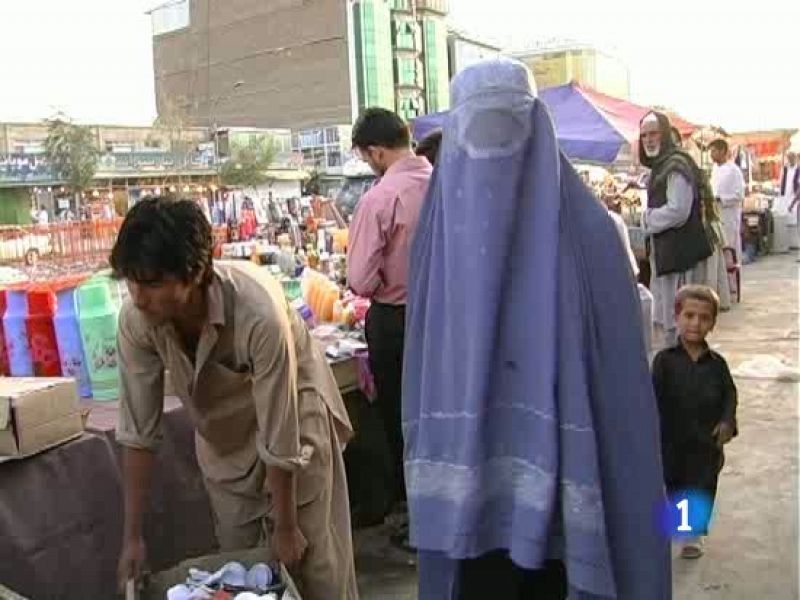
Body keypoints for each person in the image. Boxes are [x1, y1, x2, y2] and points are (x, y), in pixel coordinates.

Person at [404, 58, 670, 600]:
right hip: (465, 485)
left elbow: (620, 378)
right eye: (479, 132)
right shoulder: (437, 239)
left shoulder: (591, 235)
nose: (491, 151)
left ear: (536, 128)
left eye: (506, 130)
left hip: (562, 500)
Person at [112, 198, 358, 600]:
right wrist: (132, 537)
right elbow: (139, 431)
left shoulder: (258, 312)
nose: (139, 296)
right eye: (131, 281)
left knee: (313, 564)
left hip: (295, 420)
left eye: (153, 283)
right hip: (224, 439)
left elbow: (281, 430)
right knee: (243, 572)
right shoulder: (137, 320)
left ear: (193, 275)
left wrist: (285, 524)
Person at [347, 108, 432, 523]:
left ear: (377, 153)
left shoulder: (380, 197)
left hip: (397, 321)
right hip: (446, 318)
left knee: (402, 417)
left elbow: (360, 279)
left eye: (366, 157)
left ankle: (413, 513)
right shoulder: (445, 186)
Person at [652, 284, 738, 559]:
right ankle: (680, 526)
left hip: (706, 441)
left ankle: (692, 536)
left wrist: (727, 422)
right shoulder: (664, 361)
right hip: (672, 440)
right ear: (677, 317)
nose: (695, 323)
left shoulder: (717, 364)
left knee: (702, 485)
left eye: (704, 318)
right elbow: (653, 396)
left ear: (712, 323)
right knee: (676, 483)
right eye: (689, 315)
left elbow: (729, 395)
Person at [640, 111, 714, 346]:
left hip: (681, 257)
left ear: (665, 135)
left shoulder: (675, 165)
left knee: (684, 322)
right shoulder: (662, 166)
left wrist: (647, 219)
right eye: (644, 136)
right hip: (669, 255)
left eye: (653, 134)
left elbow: (679, 211)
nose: (649, 140)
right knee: (669, 321)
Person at [710, 138, 745, 261]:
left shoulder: (734, 170)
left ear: (723, 151)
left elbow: (739, 195)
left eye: (714, 151)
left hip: (729, 217)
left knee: (730, 250)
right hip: (716, 216)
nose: (711, 154)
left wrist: (721, 199)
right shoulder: (714, 170)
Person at [778, 152, 800, 248]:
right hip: (786, 196)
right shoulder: (785, 169)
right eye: (789, 158)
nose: (790, 160)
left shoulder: (798, 170)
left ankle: (796, 244)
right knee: (786, 220)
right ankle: (789, 243)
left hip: (795, 197)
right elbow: (781, 182)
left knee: (795, 221)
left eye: (792, 158)